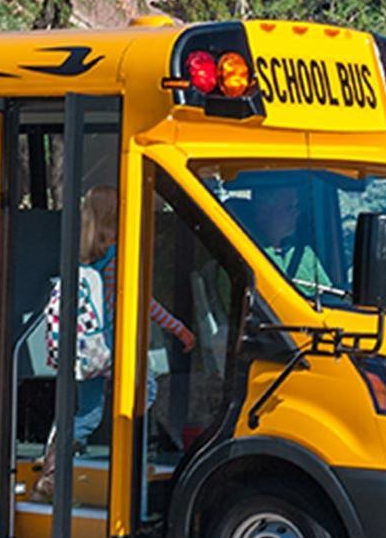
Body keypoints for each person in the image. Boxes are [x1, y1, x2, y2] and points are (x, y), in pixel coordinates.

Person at [32, 185, 196, 501]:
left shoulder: (84, 254)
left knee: (89, 414)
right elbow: (142, 302)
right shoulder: (117, 256)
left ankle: (51, 469)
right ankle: (127, 452)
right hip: (111, 346)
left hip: (87, 348)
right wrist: (179, 330)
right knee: (145, 389)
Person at [236, 184, 332, 297]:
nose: (296, 213)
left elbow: (329, 296)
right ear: (264, 211)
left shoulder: (305, 254)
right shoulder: (245, 252)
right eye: (289, 207)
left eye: (296, 206)